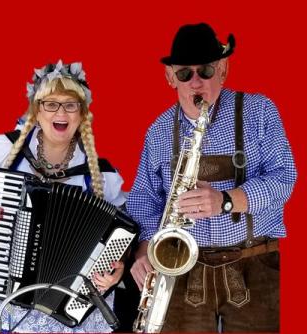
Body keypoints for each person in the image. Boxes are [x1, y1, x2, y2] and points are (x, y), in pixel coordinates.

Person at [127, 22, 297, 332]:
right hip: (181, 270)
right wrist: (144, 250)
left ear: (223, 69)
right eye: (184, 74)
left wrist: (226, 201)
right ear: (169, 77)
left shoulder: (259, 111)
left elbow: (284, 177)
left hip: (254, 262)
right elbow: (143, 200)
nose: (195, 83)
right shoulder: (158, 131)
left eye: (204, 71)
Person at [0, 60, 127, 332]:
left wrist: (117, 268)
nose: (61, 112)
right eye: (51, 103)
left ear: (82, 113)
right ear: (37, 110)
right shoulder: (9, 149)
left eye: (70, 104)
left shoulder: (102, 175)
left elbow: (120, 239)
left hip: (63, 308)